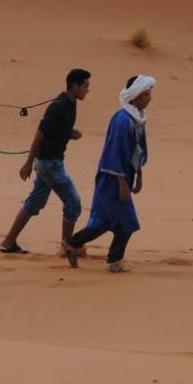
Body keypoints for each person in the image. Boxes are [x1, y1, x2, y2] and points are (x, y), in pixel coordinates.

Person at [63, 75, 155, 273]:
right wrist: (122, 183)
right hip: (112, 178)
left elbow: (138, 150)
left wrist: (139, 175)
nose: (149, 98)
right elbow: (113, 152)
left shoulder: (138, 118)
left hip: (125, 177)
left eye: (149, 94)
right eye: (145, 94)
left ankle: (72, 243)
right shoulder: (123, 120)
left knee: (105, 221)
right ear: (136, 95)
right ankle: (114, 261)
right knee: (128, 222)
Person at [0, 68, 90, 255]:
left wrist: (70, 134)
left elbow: (56, 130)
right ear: (74, 86)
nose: (87, 90)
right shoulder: (58, 106)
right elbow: (40, 133)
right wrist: (27, 163)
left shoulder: (71, 104)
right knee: (73, 202)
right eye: (85, 86)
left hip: (51, 162)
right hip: (49, 164)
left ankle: (9, 242)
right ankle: (67, 247)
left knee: (34, 203)